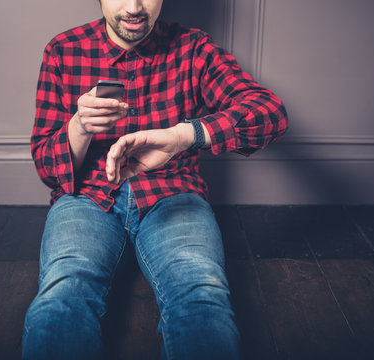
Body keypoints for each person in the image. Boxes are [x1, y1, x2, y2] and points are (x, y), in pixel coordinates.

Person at [22, 0, 288, 359]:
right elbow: (46, 166)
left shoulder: (194, 48)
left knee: (201, 292)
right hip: (86, 196)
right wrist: (78, 127)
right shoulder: (63, 50)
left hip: (173, 192)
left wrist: (184, 135)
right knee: (63, 292)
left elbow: (269, 113)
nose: (134, 7)